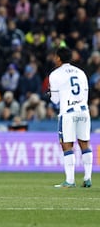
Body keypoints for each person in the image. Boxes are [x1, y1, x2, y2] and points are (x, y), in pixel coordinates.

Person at [49, 47, 92, 188]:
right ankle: (87, 178)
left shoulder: (55, 74)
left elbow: (55, 100)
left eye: (55, 56)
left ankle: (70, 180)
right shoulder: (81, 73)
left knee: (67, 145)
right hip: (84, 110)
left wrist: (51, 94)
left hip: (68, 112)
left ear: (58, 58)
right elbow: (86, 93)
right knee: (84, 144)